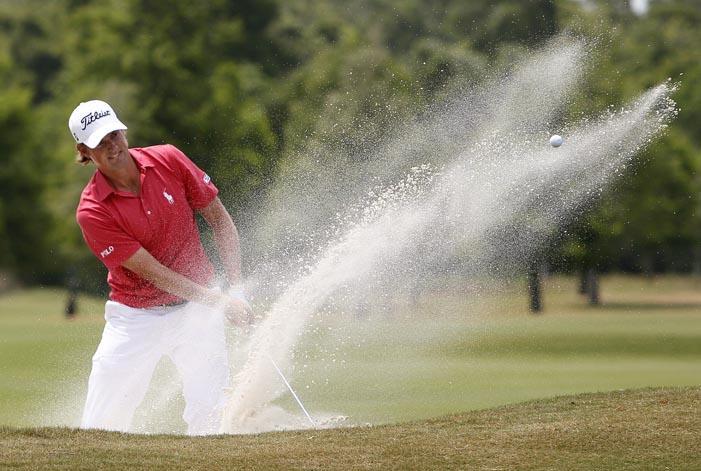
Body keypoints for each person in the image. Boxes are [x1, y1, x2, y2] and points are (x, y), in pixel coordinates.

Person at [69, 99, 251, 435]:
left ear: (122, 130)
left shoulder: (168, 158)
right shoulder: (92, 210)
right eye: (99, 142)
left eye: (113, 135)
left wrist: (237, 288)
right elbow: (154, 272)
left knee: (212, 417)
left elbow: (220, 220)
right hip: (136, 318)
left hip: (198, 309)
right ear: (84, 151)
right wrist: (220, 302)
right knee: (102, 422)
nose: (112, 146)